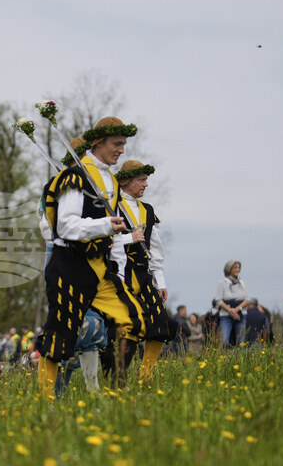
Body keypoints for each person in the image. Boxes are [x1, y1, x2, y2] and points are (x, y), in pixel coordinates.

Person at [36, 117, 146, 397]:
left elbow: (114, 236)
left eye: (124, 144)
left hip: (100, 268)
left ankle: (116, 387)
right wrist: (105, 225)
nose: (122, 150)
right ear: (98, 142)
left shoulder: (111, 181)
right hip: (69, 265)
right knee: (60, 337)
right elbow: (65, 226)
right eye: (117, 144)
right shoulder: (75, 177)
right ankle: (46, 402)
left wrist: (119, 271)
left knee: (132, 320)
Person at [116, 159, 177, 376]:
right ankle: (117, 374)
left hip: (143, 276)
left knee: (162, 323)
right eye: (141, 180)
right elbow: (101, 241)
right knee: (127, 325)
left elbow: (156, 249)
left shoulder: (148, 210)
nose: (146, 184)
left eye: (146, 180)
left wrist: (160, 282)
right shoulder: (111, 206)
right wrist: (128, 238)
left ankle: (146, 373)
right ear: (126, 181)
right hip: (119, 275)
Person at [215, 261, 248, 347]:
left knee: (241, 342)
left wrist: (236, 310)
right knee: (224, 340)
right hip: (226, 315)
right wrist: (230, 311)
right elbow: (218, 300)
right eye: (235, 268)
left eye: (238, 268)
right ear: (229, 269)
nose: (237, 270)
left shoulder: (242, 283)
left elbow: (246, 299)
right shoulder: (222, 283)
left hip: (240, 314)